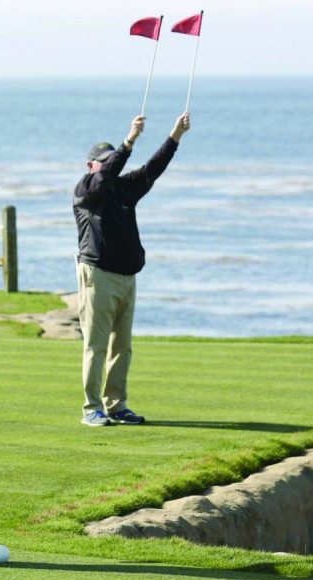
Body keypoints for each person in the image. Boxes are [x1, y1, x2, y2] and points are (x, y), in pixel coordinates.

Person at [73, 112, 191, 427]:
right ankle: (91, 409)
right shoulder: (86, 191)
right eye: (105, 161)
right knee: (96, 346)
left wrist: (174, 135)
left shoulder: (124, 189)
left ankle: (116, 405)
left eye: (112, 159)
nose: (111, 165)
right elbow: (109, 173)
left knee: (122, 347)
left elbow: (153, 170)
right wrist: (128, 142)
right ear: (91, 166)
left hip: (127, 278)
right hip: (98, 276)